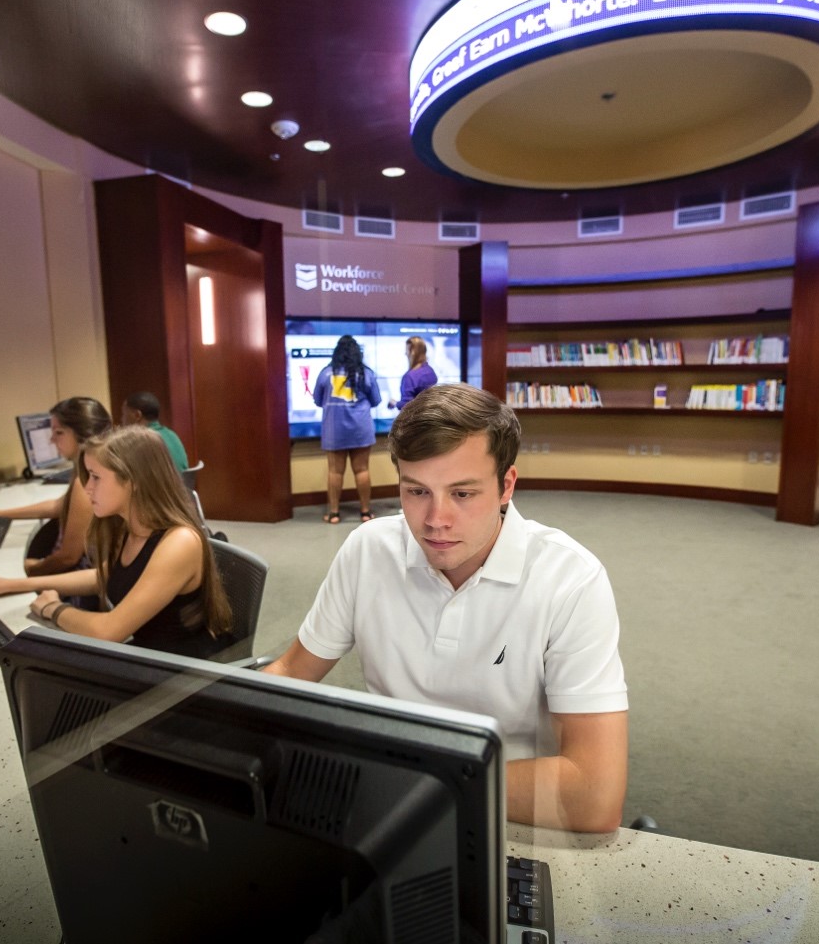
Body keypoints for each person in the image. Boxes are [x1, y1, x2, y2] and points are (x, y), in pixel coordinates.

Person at [264, 383, 628, 833]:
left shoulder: (570, 579)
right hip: (382, 813)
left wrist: (410, 778)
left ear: (505, 487)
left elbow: (594, 796)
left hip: (507, 818)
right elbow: (291, 672)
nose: (435, 520)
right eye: (416, 492)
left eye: (462, 494)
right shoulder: (368, 549)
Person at [0, 426, 236, 658]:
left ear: (134, 480)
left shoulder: (179, 542)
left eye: (96, 478)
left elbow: (109, 631)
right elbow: (103, 577)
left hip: (185, 675)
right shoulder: (130, 526)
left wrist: (54, 609)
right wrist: (10, 584)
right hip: (152, 656)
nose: (87, 488)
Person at [0, 396, 110, 576]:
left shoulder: (85, 483)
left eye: (59, 432)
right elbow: (58, 506)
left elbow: (68, 558)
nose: (52, 439)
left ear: (83, 435)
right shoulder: (88, 473)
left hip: (73, 582)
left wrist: (28, 571)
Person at [313, 335, 382, 523]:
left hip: (334, 430)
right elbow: (376, 400)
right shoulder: (366, 373)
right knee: (362, 470)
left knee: (335, 471)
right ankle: (366, 512)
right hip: (360, 428)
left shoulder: (325, 373)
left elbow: (318, 400)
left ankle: (334, 513)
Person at [121, 391, 189, 472]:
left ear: (137, 415)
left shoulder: (140, 442)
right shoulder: (172, 435)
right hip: (182, 484)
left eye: (124, 414)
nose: (122, 419)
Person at [394, 335, 438, 408]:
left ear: (413, 352)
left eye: (407, 351)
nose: (405, 354)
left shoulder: (410, 377)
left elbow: (407, 406)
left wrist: (395, 403)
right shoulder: (430, 371)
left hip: (416, 418)